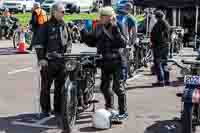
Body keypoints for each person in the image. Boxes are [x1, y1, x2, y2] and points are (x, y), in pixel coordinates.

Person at [80, 6, 128, 121]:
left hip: (117, 61)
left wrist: (116, 30)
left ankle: (123, 111)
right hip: (104, 62)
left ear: (110, 17)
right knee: (104, 87)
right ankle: (109, 106)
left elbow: (123, 43)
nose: (100, 18)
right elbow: (92, 42)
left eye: (103, 16)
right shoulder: (98, 27)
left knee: (118, 88)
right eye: (100, 15)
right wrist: (83, 32)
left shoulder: (118, 26)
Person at [34, 2, 72, 117]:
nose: (64, 13)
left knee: (60, 87)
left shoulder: (64, 25)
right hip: (49, 62)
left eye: (64, 11)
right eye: (62, 11)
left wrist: (67, 53)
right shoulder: (45, 26)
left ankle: (58, 109)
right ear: (54, 12)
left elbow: (69, 41)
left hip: (62, 61)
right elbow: (38, 44)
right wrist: (41, 58)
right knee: (46, 87)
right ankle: (45, 110)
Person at [115, 0, 137, 78]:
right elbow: (134, 33)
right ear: (130, 9)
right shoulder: (131, 19)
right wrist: (132, 43)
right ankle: (124, 78)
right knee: (125, 60)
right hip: (125, 43)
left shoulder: (115, 16)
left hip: (113, 43)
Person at [150, 10, 170, 86]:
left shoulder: (158, 25)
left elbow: (156, 36)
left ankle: (161, 81)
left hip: (158, 46)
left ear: (156, 17)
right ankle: (167, 79)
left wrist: (154, 43)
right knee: (165, 63)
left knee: (158, 63)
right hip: (166, 45)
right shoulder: (167, 24)